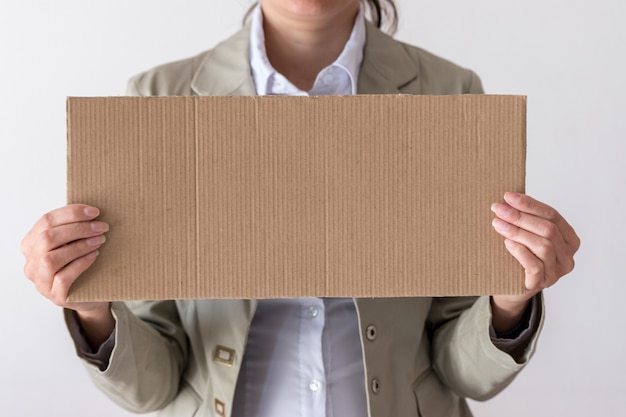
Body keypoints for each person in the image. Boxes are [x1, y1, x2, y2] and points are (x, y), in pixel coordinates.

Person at [21, 1, 580, 416]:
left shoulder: (451, 94)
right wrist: (93, 310)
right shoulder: (157, 99)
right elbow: (155, 384)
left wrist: (508, 303)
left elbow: (463, 371)